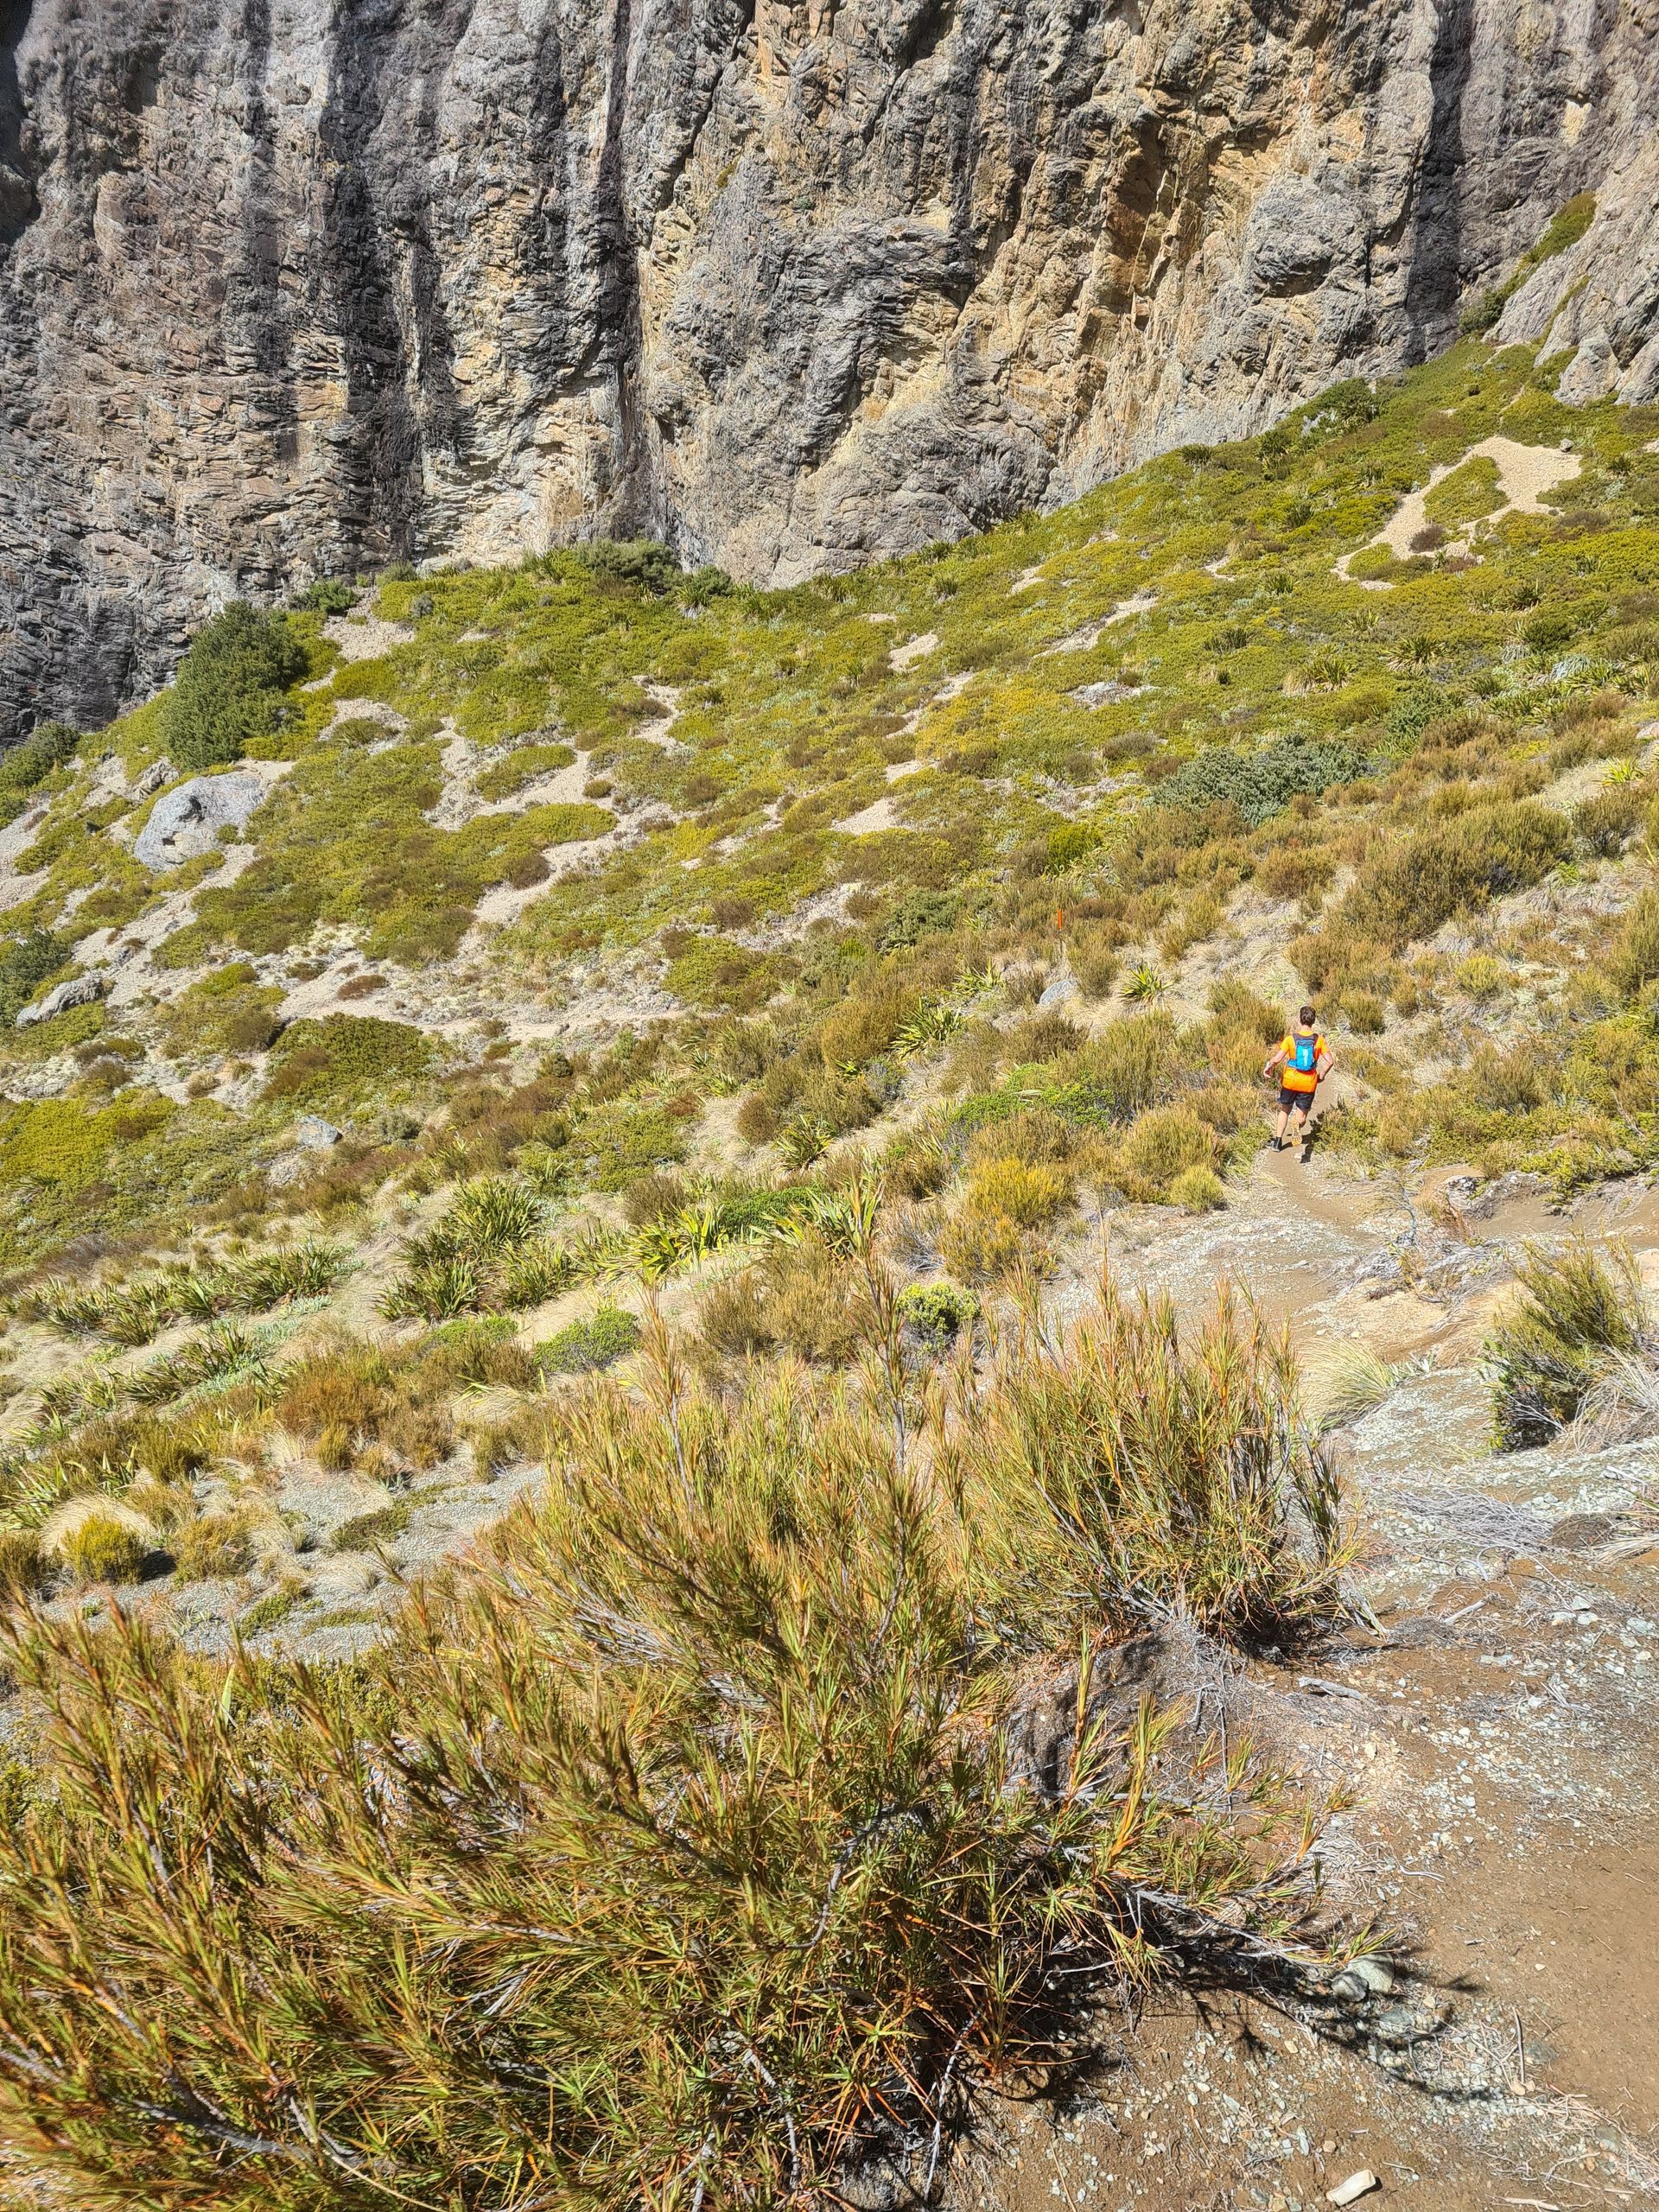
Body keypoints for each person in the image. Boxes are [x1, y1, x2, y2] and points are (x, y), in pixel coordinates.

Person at [1262, 1004, 1332, 1156]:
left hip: (1290, 1081)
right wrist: (1321, 1076)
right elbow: (1329, 1061)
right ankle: (1297, 1124)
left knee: (1285, 1110)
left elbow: (1277, 1059)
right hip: (1308, 1083)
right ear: (1313, 1022)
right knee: (1301, 1116)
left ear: (1300, 1020)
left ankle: (1277, 1142)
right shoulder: (1319, 1041)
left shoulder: (1290, 1039)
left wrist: (1269, 1067)